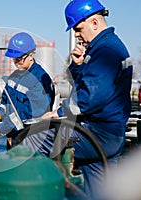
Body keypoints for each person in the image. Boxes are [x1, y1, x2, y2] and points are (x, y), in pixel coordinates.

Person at [42, 0, 133, 198]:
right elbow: (85, 86)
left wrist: (58, 113)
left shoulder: (105, 52)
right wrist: (77, 65)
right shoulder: (105, 48)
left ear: (94, 22)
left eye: (78, 28)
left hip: (99, 133)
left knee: (36, 139)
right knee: (101, 193)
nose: (75, 33)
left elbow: (90, 98)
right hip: (111, 133)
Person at [0, 32, 56, 155]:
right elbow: (6, 102)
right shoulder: (14, 77)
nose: (16, 62)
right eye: (14, 59)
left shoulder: (41, 79)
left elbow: (32, 115)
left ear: (31, 55)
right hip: (15, 138)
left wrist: (1, 129)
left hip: (33, 140)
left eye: (19, 59)